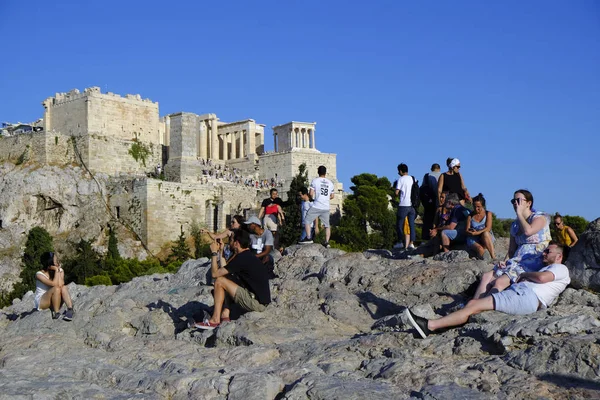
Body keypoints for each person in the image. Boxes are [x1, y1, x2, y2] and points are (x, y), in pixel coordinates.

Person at [405, 242, 570, 338]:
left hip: (526, 296)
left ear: (559, 256)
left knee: (474, 305)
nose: (544, 253)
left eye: (548, 251)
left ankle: (430, 326)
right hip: (522, 295)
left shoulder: (560, 268)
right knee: (473, 304)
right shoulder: (549, 267)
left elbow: (542, 278)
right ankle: (443, 324)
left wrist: (525, 274)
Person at [472, 189, 551, 299]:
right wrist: (504, 262)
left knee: (499, 282)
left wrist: (519, 213)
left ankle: (479, 308)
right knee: (486, 277)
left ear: (529, 203)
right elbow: (512, 250)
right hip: (517, 260)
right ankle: (471, 306)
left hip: (533, 260)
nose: (515, 203)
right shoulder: (515, 225)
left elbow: (528, 231)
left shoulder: (539, 217)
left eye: (518, 200)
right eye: (513, 201)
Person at [194, 229, 271, 329]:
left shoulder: (241, 259)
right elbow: (225, 270)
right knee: (226, 278)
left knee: (219, 281)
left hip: (256, 304)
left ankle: (214, 320)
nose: (228, 243)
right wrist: (221, 252)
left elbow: (214, 274)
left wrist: (213, 253)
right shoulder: (247, 256)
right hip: (259, 301)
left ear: (236, 243)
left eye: (230, 240)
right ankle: (225, 314)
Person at [299, 165, 335, 247]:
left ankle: (308, 238)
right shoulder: (330, 183)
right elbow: (332, 196)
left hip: (317, 205)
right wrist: (325, 198)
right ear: (325, 173)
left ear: (318, 172)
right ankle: (327, 242)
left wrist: (314, 198)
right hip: (326, 206)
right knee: (327, 225)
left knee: (307, 220)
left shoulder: (315, 181)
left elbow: (311, 193)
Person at [35, 251, 75, 321]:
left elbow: (61, 284)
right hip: (43, 301)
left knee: (63, 287)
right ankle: (56, 312)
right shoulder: (39, 274)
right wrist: (56, 270)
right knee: (56, 289)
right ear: (50, 262)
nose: (57, 262)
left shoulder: (60, 270)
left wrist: (58, 270)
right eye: (55, 260)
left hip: (56, 298)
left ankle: (70, 309)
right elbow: (54, 284)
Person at [465, 193, 496, 259]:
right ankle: (483, 260)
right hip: (474, 238)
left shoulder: (488, 213)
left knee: (485, 233)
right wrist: (471, 232)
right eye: (474, 206)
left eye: (478, 207)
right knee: (480, 248)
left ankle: (493, 257)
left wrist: (477, 232)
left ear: (483, 206)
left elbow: (488, 228)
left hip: (485, 236)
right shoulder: (470, 216)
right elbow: (467, 230)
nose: (476, 209)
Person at [393, 163, 416, 250]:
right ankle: (412, 243)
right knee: (411, 225)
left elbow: (396, 193)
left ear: (400, 171)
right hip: (412, 205)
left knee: (399, 224)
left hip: (403, 204)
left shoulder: (401, 179)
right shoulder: (412, 178)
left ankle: (400, 242)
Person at [420, 163, 442, 240]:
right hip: (440, 201)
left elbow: (423, 188)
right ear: (439, 169)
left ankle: (426, 238)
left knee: (428, 220)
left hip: (429, 201)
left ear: (431, 169)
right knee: (439, 219)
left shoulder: (427, 176)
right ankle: (437, 237)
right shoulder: (442, 175)